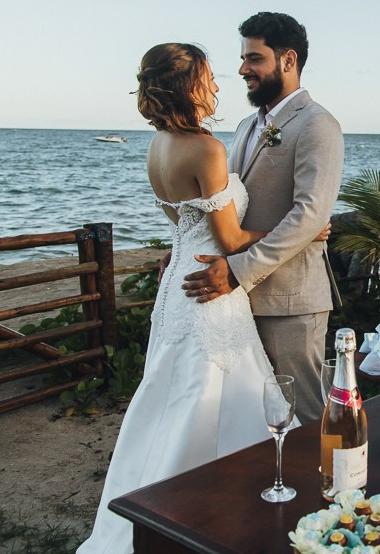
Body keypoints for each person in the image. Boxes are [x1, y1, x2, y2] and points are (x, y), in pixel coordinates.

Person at [80, 43, 306, 553]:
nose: (218, 87)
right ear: (188, 86)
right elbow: (228, 240)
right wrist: (300, 231)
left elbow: (182, 225)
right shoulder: (206, 150)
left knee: (171, 392)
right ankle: (207, 511)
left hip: (180, 280)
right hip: (209, 286)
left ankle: (152, 510)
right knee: (208, 393)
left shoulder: (158, 145)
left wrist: (185, 249)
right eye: (209, 78)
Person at [181, 12, 344, 422]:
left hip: (291, 299)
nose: (242, 69)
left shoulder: (317, 124)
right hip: (235, 303)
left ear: (287, 60)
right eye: (243, 58)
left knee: (306, 413)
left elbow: (310, 215)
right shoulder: (244, 127)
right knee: (255, 414)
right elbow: (222, 203)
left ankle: (332, 487)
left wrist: (238, 269)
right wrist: (189, 246)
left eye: (254, 58)